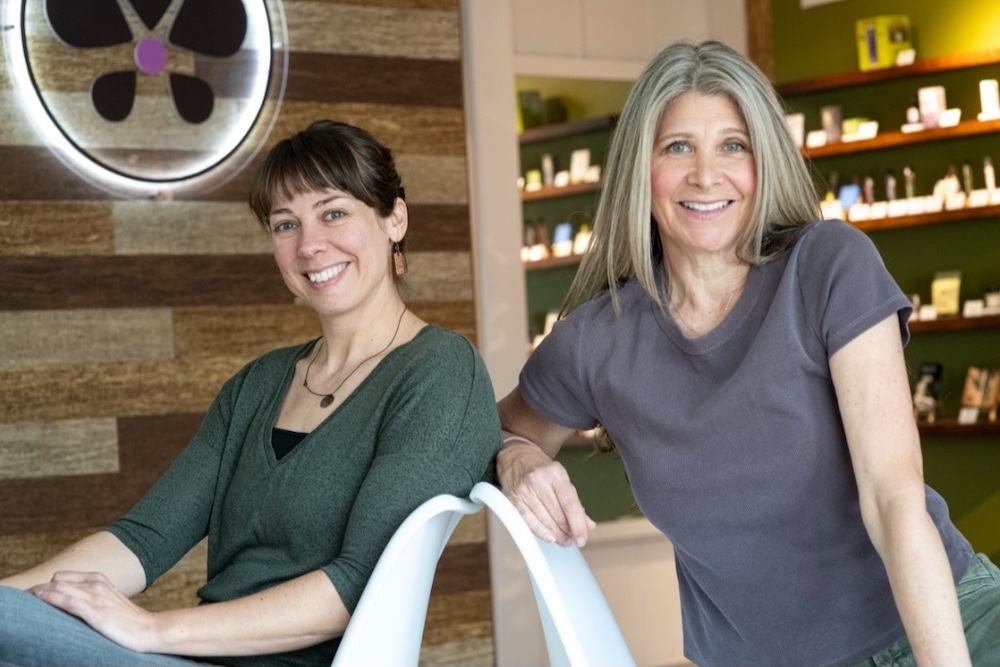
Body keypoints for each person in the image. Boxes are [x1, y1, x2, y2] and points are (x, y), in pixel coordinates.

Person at [496, 40, 1000, 667]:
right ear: (639, 170)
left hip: (946, 629)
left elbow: (892, 498)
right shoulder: (596, 340)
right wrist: (517, 458)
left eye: (733, 146)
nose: (706, 175)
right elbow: (493, 434)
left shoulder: (828, 265)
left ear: (762, 162)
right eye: (677, 147)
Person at [0, 120, 502, 667]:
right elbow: (142, 539)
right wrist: (10, 600)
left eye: (334, 213)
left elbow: (358, 586)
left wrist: (151, 629)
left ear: (394, 219)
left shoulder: (440, 372)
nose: (310, 245)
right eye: (286, 225)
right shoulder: (259, 383)